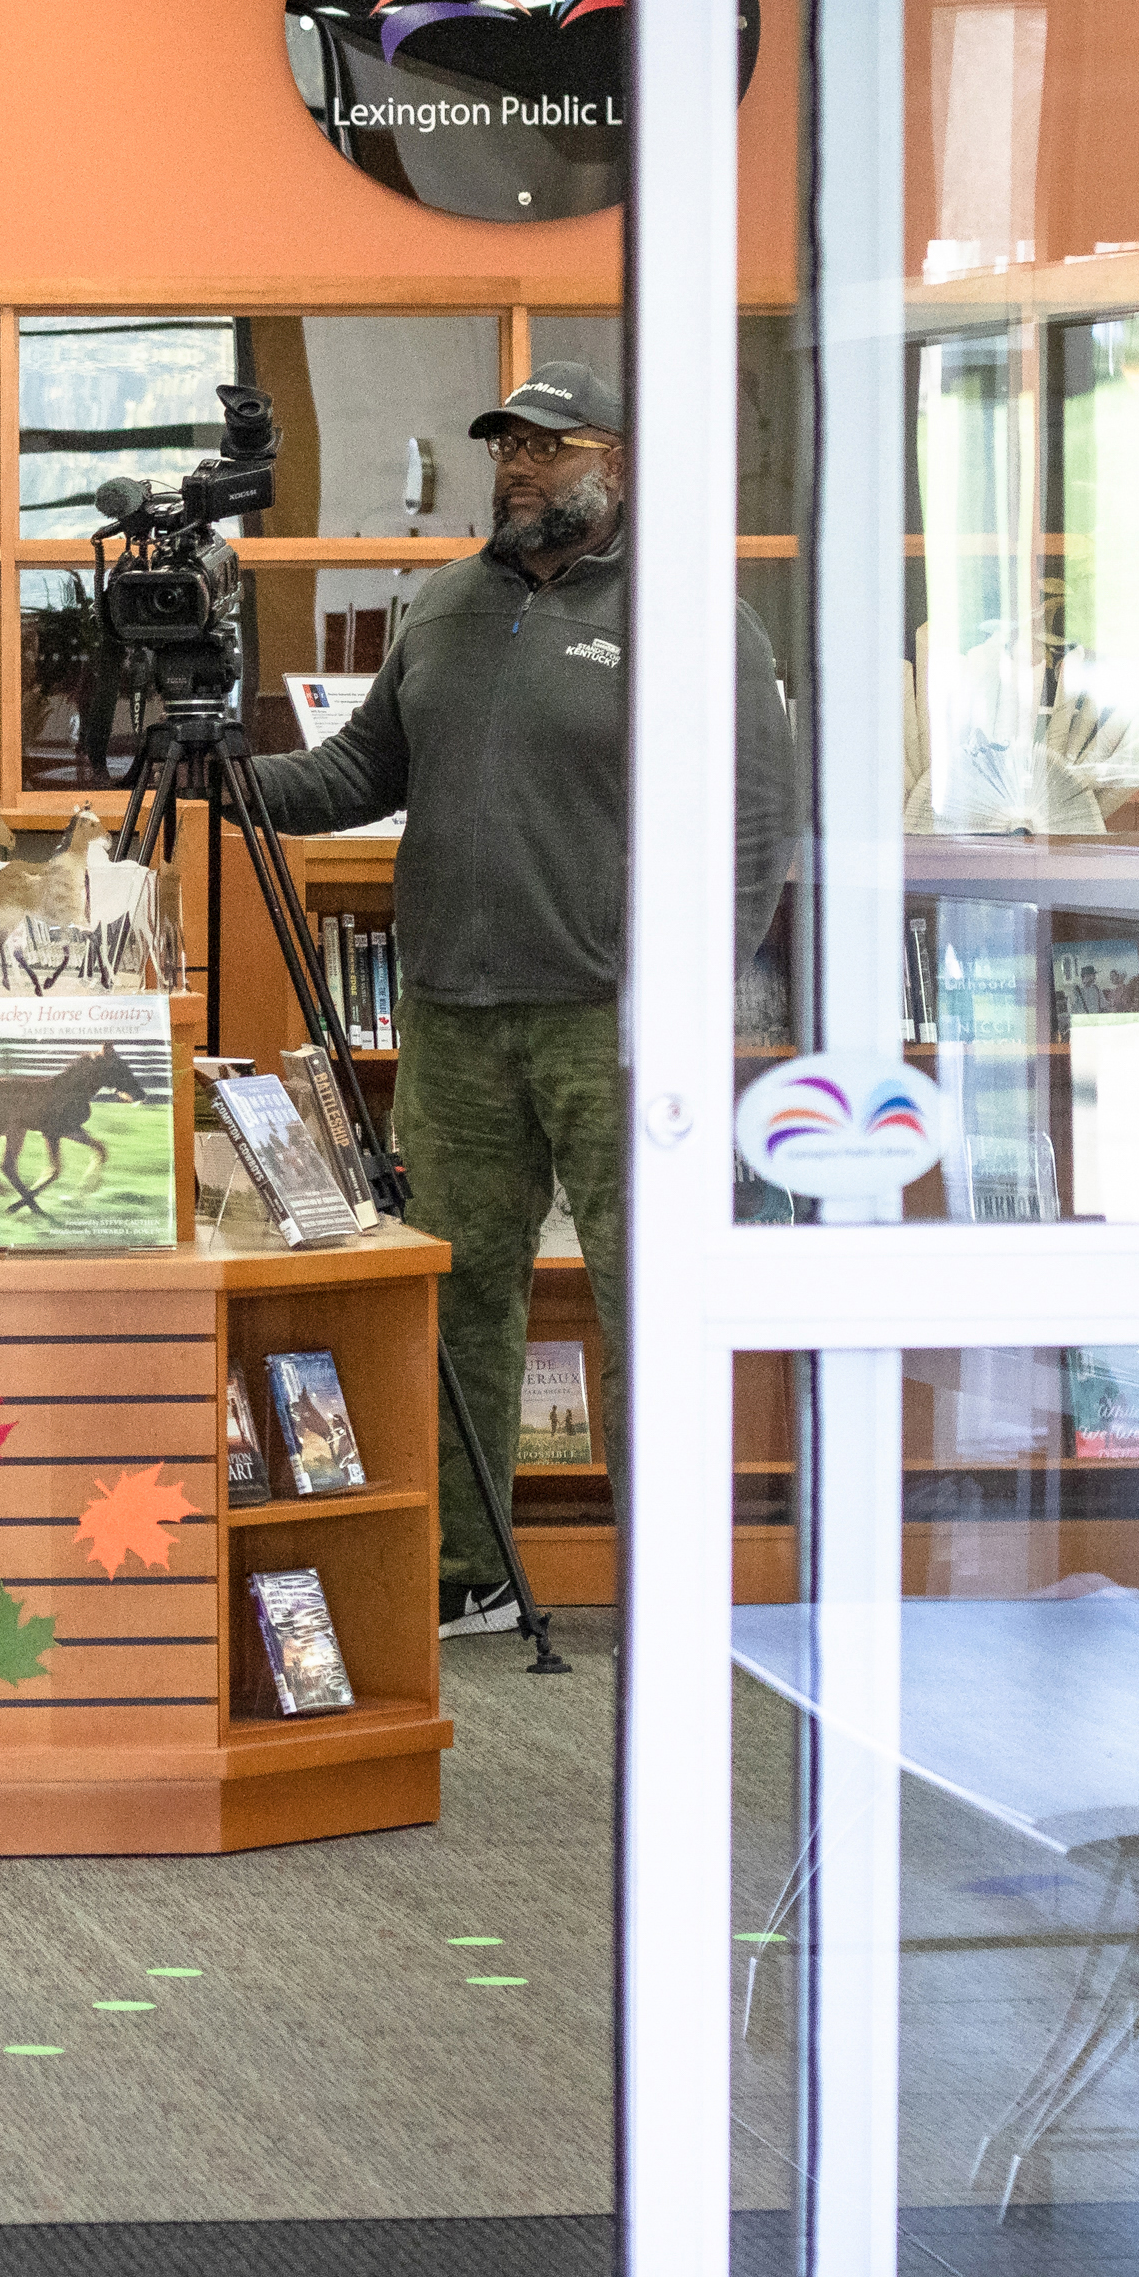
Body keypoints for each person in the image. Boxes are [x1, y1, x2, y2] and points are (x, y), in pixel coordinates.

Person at [239, 360, 794, 1638]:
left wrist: (694, 989)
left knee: (641, 1294)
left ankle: (670, 1583)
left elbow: (756, 817)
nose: (518, 468)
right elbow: (361, 773)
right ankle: (466, 1574)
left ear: (616, 461)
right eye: (504, 447)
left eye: (547, 447)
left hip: (614, 1020)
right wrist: (229, 778)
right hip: (452, 1014)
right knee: (457, 1295)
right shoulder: (442, 604)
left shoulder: (691, 617)